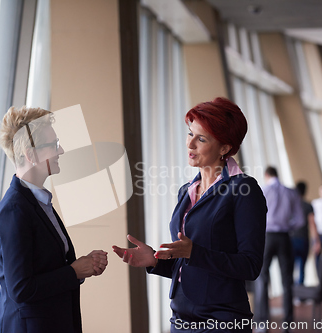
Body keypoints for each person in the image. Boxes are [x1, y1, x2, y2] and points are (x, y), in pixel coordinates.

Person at [113, 97, 267, 333]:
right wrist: (155, 259)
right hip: (181, 316)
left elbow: (250, 266)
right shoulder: (187, 191)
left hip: (222, 319)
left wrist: (194, 252)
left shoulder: (244, 191)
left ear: (224, 148)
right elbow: (189, 263)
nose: (190, 144)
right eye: (190, 134)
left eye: (201, 138)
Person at [0, 106, 108, 333]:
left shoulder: (37, 202)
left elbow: (48, 268)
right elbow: (21, 289)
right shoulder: (14, 210)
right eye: (54, 145)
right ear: (31, 155)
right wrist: (74, 271)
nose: (61, 150)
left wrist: (83, 266)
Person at [254, 167, 304, 332]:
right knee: (287, 281)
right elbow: (300, 220)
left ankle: (262, 323)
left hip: (267, 237)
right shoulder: (291, 192)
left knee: (262, 278)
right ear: (277, 174)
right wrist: (288, 226)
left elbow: (255, 216)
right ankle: (288, 324)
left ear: (266, 175)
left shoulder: (263, 190)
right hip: (284, 237)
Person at [291, 181, 320, 285]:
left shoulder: (291, 205)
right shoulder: (308, 206)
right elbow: (312, 225)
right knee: (302, 267)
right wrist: (316, 241)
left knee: (290, 267)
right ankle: (300, 293)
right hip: (303, 239)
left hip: (291, 239)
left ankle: (291, 292)